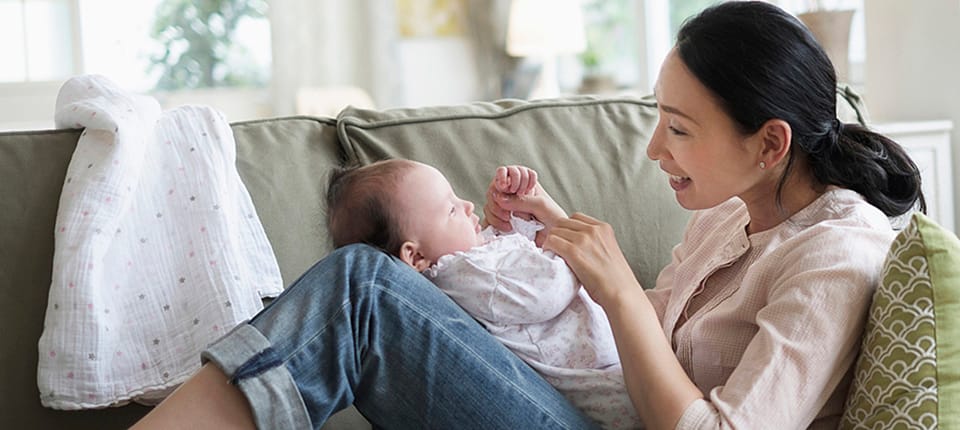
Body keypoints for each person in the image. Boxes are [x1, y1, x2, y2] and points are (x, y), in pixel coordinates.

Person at [133, 2, 925, 429]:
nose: (653, 149)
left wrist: (617, 293)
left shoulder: (833, 259)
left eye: (679, 129)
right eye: (658, 117)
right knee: (364, 289)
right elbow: (635, 343)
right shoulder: (736, 212)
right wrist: (550, 241)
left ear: (770, 142)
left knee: (360, 291)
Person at [324, 159, 641, 429]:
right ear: (416, 258)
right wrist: (569, 240)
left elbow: (509, 262)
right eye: (451, 210)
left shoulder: (470, 263)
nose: (468, 205)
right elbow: (547, 288)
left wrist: (511, 220)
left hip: (609, 369)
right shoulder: (468, 274)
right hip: (605, 397)